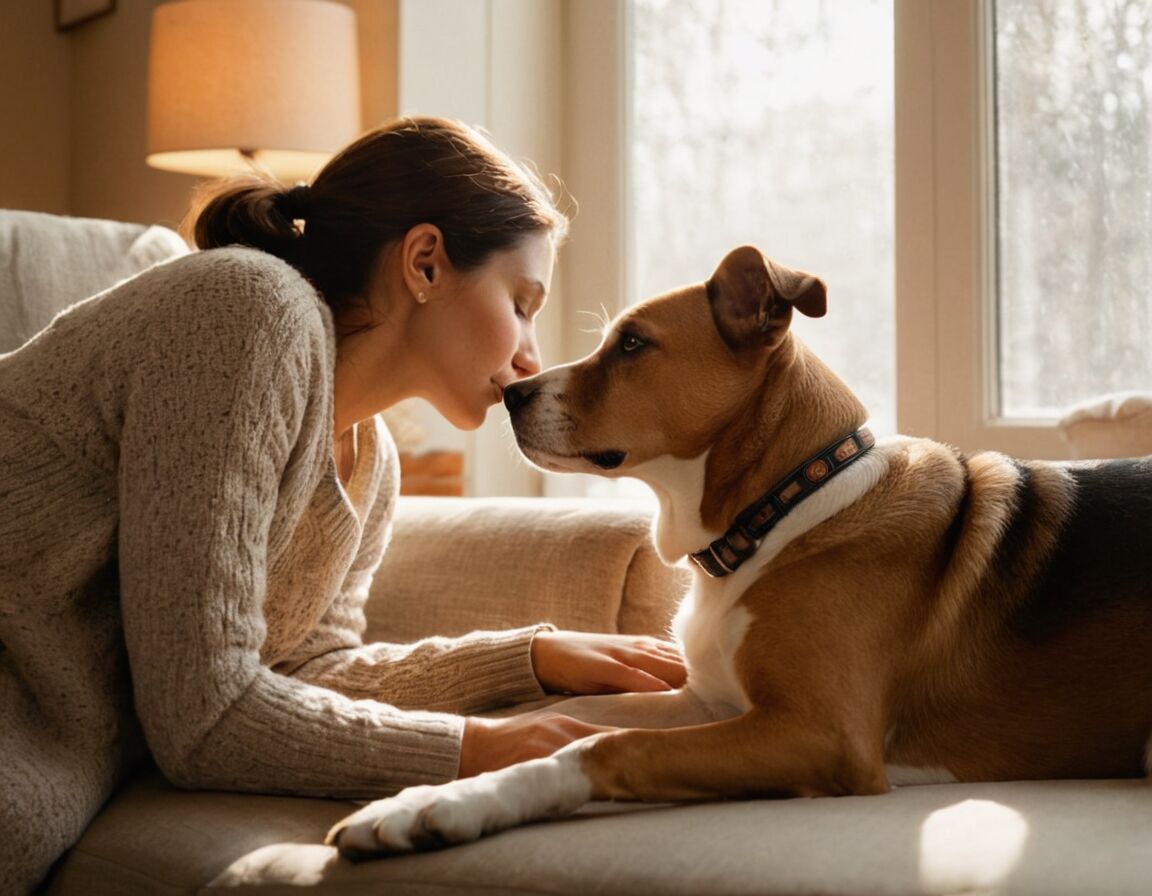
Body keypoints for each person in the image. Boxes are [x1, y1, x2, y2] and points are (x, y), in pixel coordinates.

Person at [0, 116, 685, 893]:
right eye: (522, 303)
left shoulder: (372, 464)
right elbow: (204, 718)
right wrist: (485, 749)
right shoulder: (245, 308)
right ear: (425, 262)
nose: (531, 355)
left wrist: (528, 658)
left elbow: (307, 670)